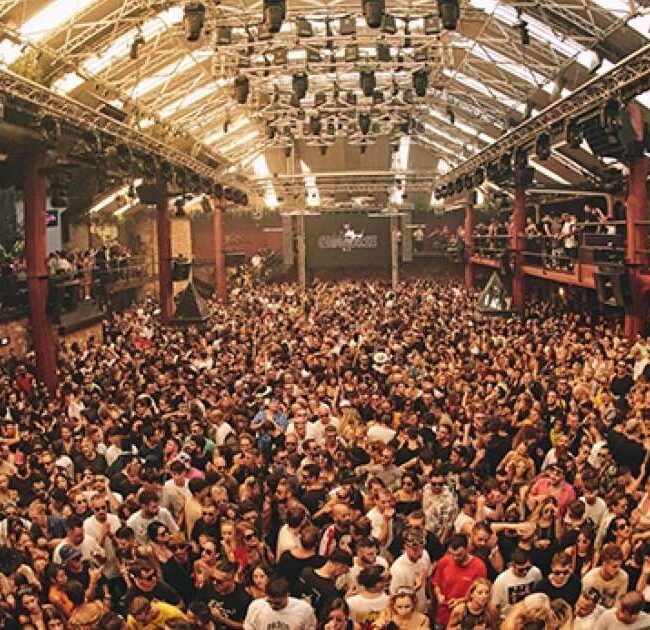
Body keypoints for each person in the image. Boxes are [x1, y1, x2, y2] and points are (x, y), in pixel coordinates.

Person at [431, 533, 487, 627]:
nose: (455, 558)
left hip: (464, 618)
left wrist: (460, 601)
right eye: (452, 554)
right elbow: (436, 583)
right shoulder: (444, 561)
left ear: (467, 548)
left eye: (459, 555)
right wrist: (439, 595)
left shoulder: (479, 567)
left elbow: (480, 593)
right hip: (442, 616)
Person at [243, 577, 317, 630]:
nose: (272, 605)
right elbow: (249, 626)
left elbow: (310, 627)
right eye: (269, 602)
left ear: (287, 595)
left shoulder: (304, 609)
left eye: (277, 603)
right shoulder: (256, 607)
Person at [490, 549, 542, 618]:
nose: (525, 572)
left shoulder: (535, 572)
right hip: (508, 616)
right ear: (512, 566)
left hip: (529, 614)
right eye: (521, 570)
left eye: (528, 568)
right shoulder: (501, 580)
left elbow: (538, 593)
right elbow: (494, 605)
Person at [581, 543, 628, 609]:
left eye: (620, 566)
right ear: (604, 563)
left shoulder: (623, 577)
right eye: (614, 566)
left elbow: (619, 603)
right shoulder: (589, 579)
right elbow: (583, 604)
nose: (618, 569)